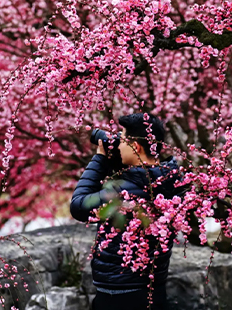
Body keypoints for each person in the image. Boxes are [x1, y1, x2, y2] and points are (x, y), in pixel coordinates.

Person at [70, 113, 181, 310]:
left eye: (122, 140)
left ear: (136, 147)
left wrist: (100, 159)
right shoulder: (172, 181)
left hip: (119, 294)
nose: (118, 145)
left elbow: (79, 206)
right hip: (153, 289)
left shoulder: (125, 190)